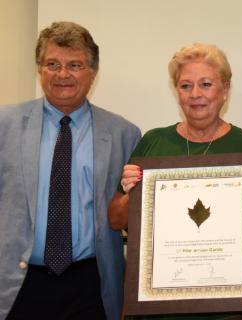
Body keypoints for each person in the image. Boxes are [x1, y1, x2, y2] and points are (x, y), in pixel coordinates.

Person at [108, 43, 242, 319]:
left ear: (225, 90)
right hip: (162, 308)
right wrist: (134, 193)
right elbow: (116, 220)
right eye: (185, 86)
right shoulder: (153, 142)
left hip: (230, 310)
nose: (195, 94)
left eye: (206, 84)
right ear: (176, 92)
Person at [0, 21, 141, 319]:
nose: (62, 74)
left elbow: (132, 214)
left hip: (92, 284)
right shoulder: (5, 125)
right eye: (52, 64)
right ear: (40, 70)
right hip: (19, 284)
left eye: (74, 65)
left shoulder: (123, 134)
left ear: (92, 73)